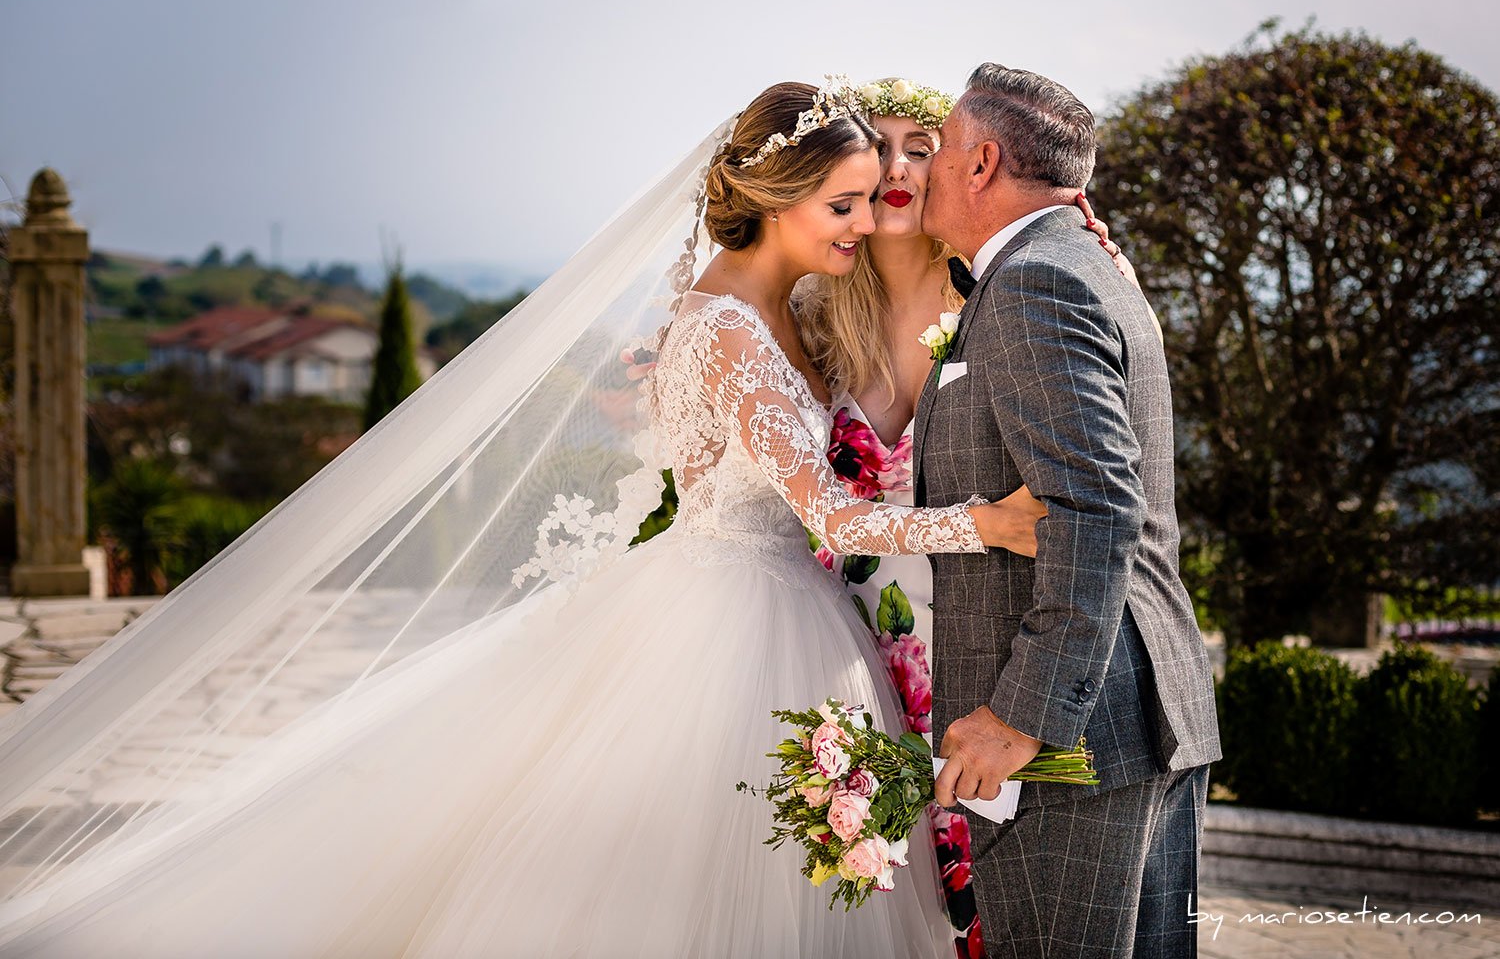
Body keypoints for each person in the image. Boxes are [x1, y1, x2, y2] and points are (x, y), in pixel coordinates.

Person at [0, 80, 1047, 958]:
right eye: (846, 206)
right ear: (778, 199)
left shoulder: (772, 302)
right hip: (736, 619)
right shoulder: (729, 325)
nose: (866, 226)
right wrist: (987, 526)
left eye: (871, 202)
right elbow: (830, 509)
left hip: (754, 594)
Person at [795, 77, 1138, 959]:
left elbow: (1098, 489)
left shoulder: (1004, 291)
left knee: (982, 905)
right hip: (847, 647)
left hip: (983, 650)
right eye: (885, 149)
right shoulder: (811, 313)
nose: (905, 169)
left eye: (926, 145)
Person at [916, 63, 1222, 959]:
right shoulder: (1081, 264)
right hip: (1136, 711)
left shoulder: (1035, 283)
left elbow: (1093, 503)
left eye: (939, 147)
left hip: (1075, 741)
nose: (928, 166)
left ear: (982, 163)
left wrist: (1023, 713)